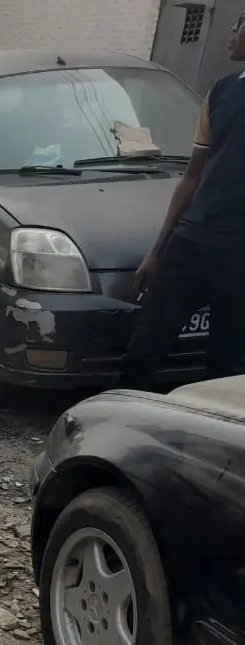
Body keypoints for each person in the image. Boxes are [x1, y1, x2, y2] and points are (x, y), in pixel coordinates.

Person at [119, 13, 245, 391]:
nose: (232, 32)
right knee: (143, 350)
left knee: (226, 366)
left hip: (239, 256)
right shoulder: (222, 91)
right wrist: (156, 252)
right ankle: (118, 425)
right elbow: (191, 178)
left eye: (240, 23)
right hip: (191, 244)